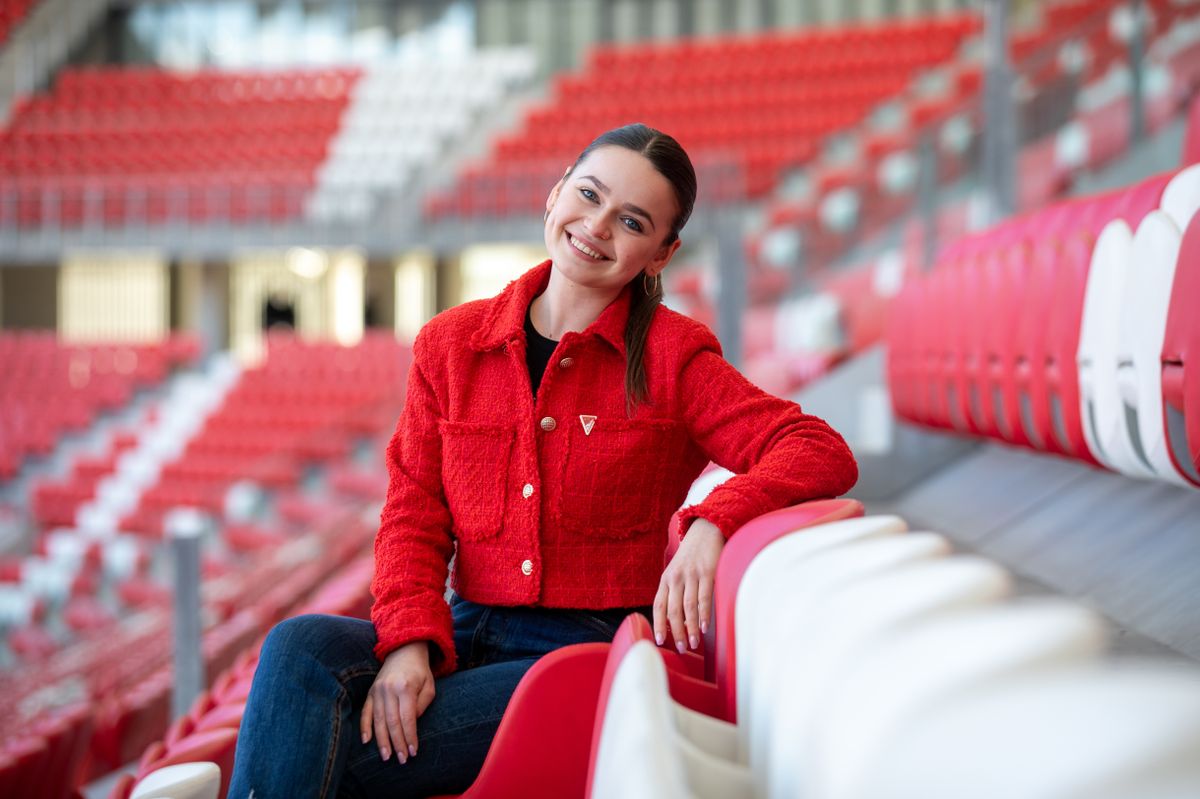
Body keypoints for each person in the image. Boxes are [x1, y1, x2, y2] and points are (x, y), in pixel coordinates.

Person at [227, 123, 857, 799]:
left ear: (660, 254)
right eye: (587, 195)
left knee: (329, 752)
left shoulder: (674, 359)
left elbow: (818, 448)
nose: (596, 225)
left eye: (631, 221)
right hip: (465, 632)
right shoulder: (450, 346)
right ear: (556, 194)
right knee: (299, 649)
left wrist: (713, 521)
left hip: (586, 656)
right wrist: (409, 643)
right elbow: (413, 513)